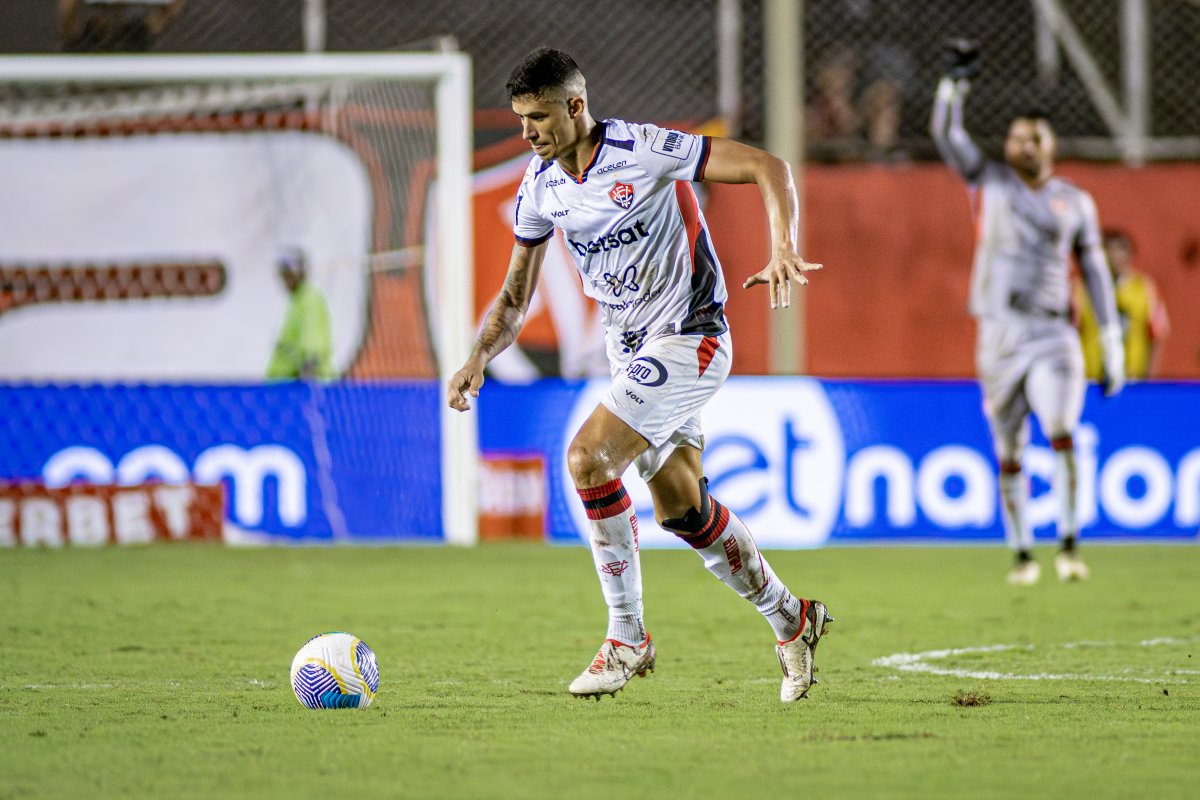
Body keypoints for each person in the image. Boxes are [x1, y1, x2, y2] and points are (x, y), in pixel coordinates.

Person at [447, 48, 833, 703]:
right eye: (520, 121)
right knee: (684, 511)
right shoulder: (540, 187)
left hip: (690, 337)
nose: (528, 133)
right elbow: (515, 300)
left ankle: (628, 637)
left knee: (587, 459)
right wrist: (477, 356)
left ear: (576, 105)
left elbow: (769, 166)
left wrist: (783, 245)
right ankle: (792, 619)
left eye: (539, 117)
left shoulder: (642, 149)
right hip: (630, 354)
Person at [930, 41, 1125, 586]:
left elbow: (1094, 272)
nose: (1023, 144)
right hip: (997, 332)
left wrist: (1109, 342)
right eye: (1016, 137)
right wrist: (954, 85)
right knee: (1008, 447)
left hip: (1052, 332)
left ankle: (1068, 545)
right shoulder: (989, 180)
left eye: (1034, 137)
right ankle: (1021, 553)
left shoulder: (1076, 201)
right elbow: (947, 135)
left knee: (1062, 426)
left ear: (1051, 146)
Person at [1076, 229, 1170, 381]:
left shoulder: (1144, 289)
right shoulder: (1083, 289)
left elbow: (1157, 335)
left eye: (1119, 250)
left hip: (1133, 379)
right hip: (1091, 379)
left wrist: (1149, 377)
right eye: (1108, 250)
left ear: (1129, 254)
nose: (1113, 256)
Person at [267, 247, 334, 381]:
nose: (286, 279)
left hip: (299, 386)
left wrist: (309, 366)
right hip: (287, 385)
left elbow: (314, 335)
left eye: (290, 273)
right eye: (284, 274)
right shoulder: (297, 301)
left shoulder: (309, 298)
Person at [58, 0, 186, 52]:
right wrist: (70, 30)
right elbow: (67, 10)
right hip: (95, 29)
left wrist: (160, 21)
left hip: (134, 27)